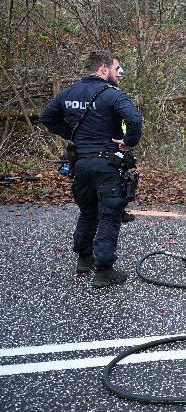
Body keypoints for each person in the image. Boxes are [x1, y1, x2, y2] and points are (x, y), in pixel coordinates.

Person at [40, 50, 142, 287]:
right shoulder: (113, 95)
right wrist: (129, 142)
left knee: (88, 212)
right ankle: (104, 270)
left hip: (81, 165)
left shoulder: (67, 93)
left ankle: (84, 259)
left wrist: (72, 134)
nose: (120, 74)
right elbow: (135, 120)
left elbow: (47, 117)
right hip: (107, 165)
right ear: (104, 69)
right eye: (118, 69)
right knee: (109, 215)